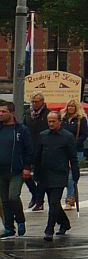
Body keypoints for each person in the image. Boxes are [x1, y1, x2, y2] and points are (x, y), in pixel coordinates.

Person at [33, 111, 79, 242]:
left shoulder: (67, 137)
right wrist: (36, 172)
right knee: (54, 204)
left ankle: (49, 230)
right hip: (45, 174)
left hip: (59, 174)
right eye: (49, 121)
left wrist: (76, 173)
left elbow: (73, 157)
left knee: (53, 203)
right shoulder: (43, 136)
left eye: (54, 121)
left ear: (59, 121)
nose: (51, 124)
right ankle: (64, 223)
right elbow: (38, 155)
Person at [0, 101, 34, 238]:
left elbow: (29, 149)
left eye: (4, 111)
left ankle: (20, 220)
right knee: (4, 200)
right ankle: (9, 227)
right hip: (1, 171)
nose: (1, 114)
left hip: (16, 170)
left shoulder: (21, 129)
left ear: (12, 113)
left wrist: (27, 167)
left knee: (13, 197)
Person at [60, 98, 88, 211]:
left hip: (76, 150)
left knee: (71, 176)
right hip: (62, 150)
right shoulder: (62, 119)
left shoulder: (81, 120)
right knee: (64, 174)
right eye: (69, 106)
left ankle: (69, 199)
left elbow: (84, 135)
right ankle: (70, 194)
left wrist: (74, 144)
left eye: (73, 106)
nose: (70, 108)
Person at [24, 93, 49, 210]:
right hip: (29, 147)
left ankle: (39, 201)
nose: (34, 104)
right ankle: (35, 194)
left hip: (43, 148)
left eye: (37, 101)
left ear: (42, 102)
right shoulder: (28, 114)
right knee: (25, 174)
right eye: (33, 101)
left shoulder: (48, 114)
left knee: (40, 175)